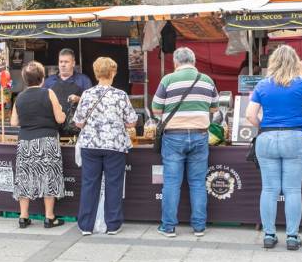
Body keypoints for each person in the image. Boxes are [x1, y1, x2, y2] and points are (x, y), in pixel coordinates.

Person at [245, 45, 302, 250]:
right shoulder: (300, 84)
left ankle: (269, 235)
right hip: (294, 136)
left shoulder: (262, 85)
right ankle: (292, 237)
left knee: (269, 188)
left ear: (273, 62)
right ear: (296, 63)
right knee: (293, 189)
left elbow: (250, 115)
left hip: (267, 138)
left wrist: (265, 128)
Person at [152, 47, 219, 238]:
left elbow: (156, 110)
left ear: (175, 62)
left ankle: (168, 227)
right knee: (198, 182)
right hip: (200, 135)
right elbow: (214, 108)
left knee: (172, 183)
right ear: (194, 61)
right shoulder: (206, 80)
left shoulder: (167, 80)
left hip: (173, 136)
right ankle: (199, 227)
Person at [73, 57, 138, 236]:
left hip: (90, 145)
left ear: (95, 73)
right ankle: (113, 224)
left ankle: (86, 225)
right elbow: (132, 122)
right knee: (114, 184)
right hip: (114, 146)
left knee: (89, 184)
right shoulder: (120, 95)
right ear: (113, 73)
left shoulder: (86, 94)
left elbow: (78, 122)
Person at [10, 61, 67, 228]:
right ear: (42, 78)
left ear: (25, 80)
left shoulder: (19, 97)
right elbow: (60, 119)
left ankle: (23, 216)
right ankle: (49, 217)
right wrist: (62, 111)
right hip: (47, 140)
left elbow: (14, 122)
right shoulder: (48, 93)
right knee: (48, 177)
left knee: (24, 177)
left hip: (25, 141)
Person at [43, 48, 93, 113]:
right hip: (53, 121)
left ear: (73, 63)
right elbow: (42, 103)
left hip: (75, 121)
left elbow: (91, 102)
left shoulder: (83, 80)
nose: (63, 65)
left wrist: (79, 99)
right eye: (61, 62)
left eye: (66, 62)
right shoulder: (49, 81)